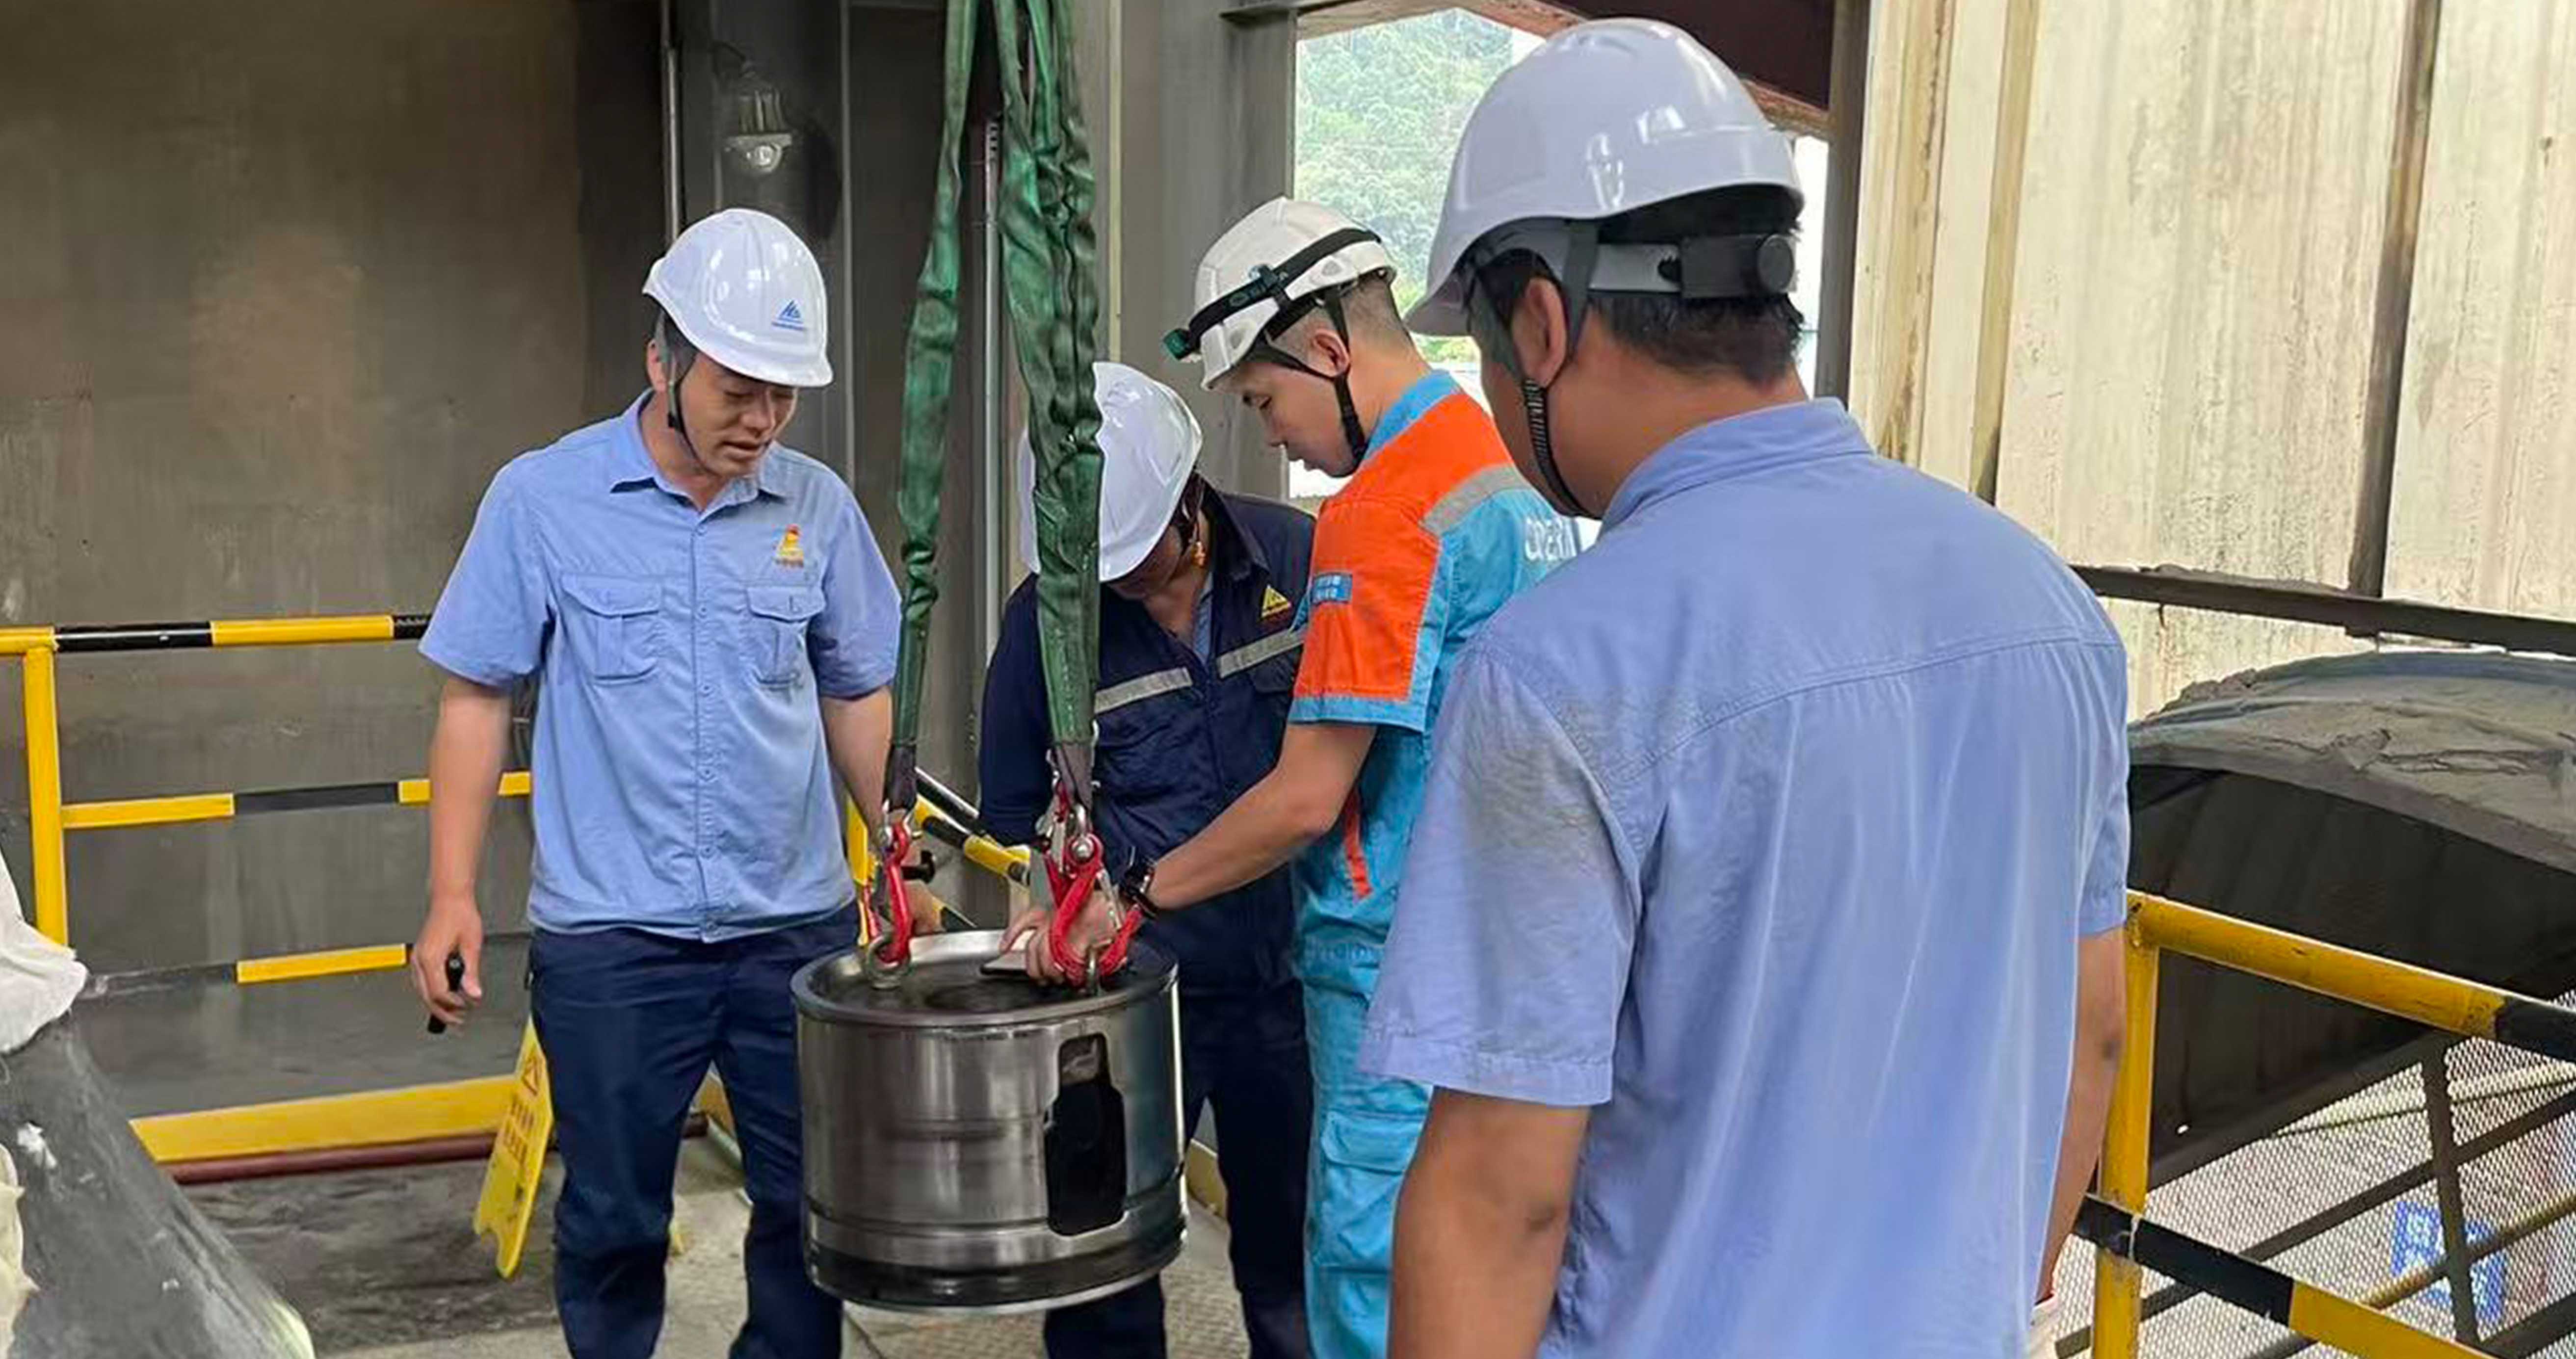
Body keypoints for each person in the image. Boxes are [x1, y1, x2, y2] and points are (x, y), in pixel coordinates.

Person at [1359, 20, 2131, 1359]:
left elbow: (1500, 1196)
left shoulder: (1566, 668)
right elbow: (2093, 1037)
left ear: (1539, 323)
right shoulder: (2049, 609)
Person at [1021, 198, 1576, 1359]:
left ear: (1326, 348)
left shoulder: (1380, 512)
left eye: (1265, 403)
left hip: (1390, 982)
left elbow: (1307, 797)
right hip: (1506, 964)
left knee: (1370, 1287)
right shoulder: (1510, 482)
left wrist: (1135, 894)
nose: (1274, 440)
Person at [410, 207, 931, 1359]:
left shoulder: (816, 508)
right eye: (739, 390)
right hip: (613, 938)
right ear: (664, 361)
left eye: (782, 396)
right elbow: (475, 697)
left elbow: (855, 687)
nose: (761, 420)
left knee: (813, 1209)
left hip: (791, 927)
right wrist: (451, 895)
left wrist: (895, 848)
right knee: (613, 1218)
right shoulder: (543, 500)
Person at [979, 362, 1315, 1359]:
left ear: (1188, 500)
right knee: (1104, 1256)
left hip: (1293, 981)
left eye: (1135, 556)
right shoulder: (1046, 623)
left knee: (1295, 1254)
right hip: (1133, 995)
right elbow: (1018, 805)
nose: (1118, 582)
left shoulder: (1299, 559)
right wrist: (1047, 893)